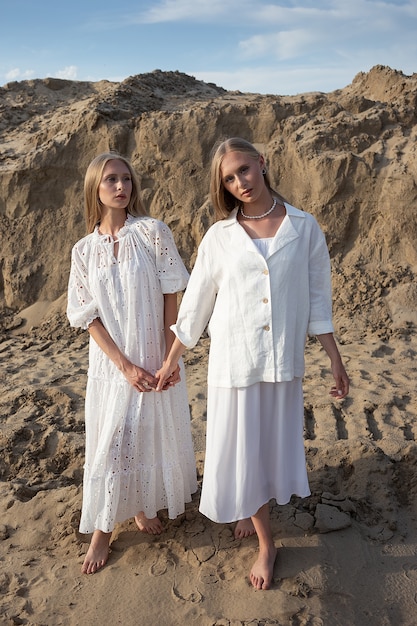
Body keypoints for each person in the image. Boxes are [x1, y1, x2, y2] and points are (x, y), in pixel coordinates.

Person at [155, 137, 349, 591]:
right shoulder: (220, 237)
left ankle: (252, 507)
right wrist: (171, 361)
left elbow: (319, 300)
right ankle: (267, 544)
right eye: (228, 177)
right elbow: (196, 305)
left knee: (267, 449)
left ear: (262, 163)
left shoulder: (304, 227)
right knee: (243, 449)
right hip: (235, 361)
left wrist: (335, 359)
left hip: (281, 361)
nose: (239, 182)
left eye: (244, 169)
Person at [67, 152, 197, 574]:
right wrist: (123, 365)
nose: (121, 187)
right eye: (111, 180)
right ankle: (103, 532)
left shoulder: (152, 232)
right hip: (112, 366)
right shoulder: (84, 250)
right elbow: (87, 316)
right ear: (95, 189)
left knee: (146, 432)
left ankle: (142, 506)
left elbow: (171, 295)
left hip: (155, 354)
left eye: (126, 179)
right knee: (110, 443)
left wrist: (169, 355)